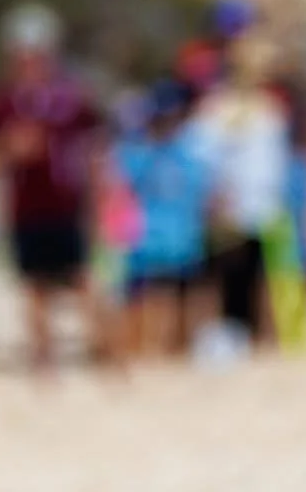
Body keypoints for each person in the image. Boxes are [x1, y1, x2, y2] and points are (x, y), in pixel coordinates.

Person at [0, 1, 103, 371]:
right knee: (33, 285)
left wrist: (97, 204)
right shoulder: (2, 102)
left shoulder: (73, 96)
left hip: (65, 204)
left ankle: (105, 353)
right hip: (27, 207)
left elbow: (94, 153)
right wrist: (9, 149)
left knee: (81, 279)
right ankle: (44, 361)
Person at [192, 32, 289, 347]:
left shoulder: (271, 108)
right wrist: (215, 194)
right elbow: (204, 154)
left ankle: (265, 338)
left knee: (264, 275)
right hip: (229, 205)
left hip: (265, 203)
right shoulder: (219, 107)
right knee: (224, 276)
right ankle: (221, 335)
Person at [114, 79, 215, 358]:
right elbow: (122, 191)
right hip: (148, 238)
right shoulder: (137, 152)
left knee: (180, 294)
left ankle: (174, 349)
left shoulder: (188, 151)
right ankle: (145, 350)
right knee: (145, 296)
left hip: (180, 237)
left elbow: (203, 193)